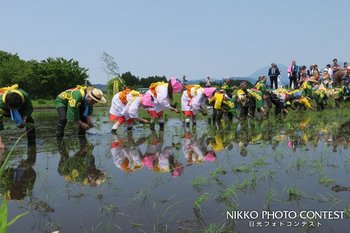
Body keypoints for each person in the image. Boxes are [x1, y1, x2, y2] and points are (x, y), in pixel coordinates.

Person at [0, 84, 36, 149]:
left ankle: (32, 145)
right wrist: (0, 142)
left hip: (19, 107)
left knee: (30, 121)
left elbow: (29, 108)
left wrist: (24, 120)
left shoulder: (25, 96)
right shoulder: (1, 104)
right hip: (5, 109)